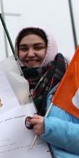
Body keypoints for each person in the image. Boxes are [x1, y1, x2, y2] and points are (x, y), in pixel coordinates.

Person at [15, 27, 79, 157]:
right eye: (24, 48)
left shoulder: (73, 85)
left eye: (38, 47)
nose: (30, 53)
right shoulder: (8, 89)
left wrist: (49, 128)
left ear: (49, 49)